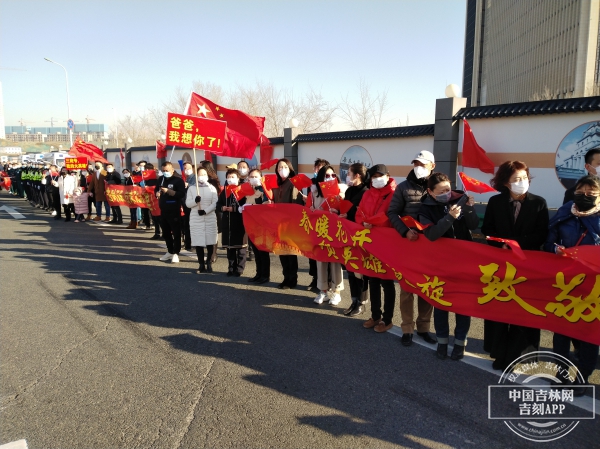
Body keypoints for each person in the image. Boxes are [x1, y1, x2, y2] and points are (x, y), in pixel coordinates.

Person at [481, 160, 549, 370]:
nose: (522, 182)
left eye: (524, 178)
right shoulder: (495, 202)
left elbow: (542, 233)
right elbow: (487, 230)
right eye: (516, 179)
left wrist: (516, 245)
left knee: (523, 309)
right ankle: (499, 354)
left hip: (527, 264)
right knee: (500, 308)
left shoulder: (539, 203)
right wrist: (500, 244)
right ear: (506, 183)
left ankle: (519, 356)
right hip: (501, 264)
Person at [544, 174, 600, 396]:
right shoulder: (565, 211)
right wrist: (554, 249)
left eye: (590, 193)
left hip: (593, 285)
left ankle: (583, 376)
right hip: (564, 282)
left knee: (589, 332)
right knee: (562, 332)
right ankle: (561, 373)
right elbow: (548, 241)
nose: (584, 196)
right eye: (580, 192)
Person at [418, 172, 479, 360]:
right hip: (440, 263)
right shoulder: (425, 208)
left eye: (448, 189)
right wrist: (449, 218)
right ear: (430, 191)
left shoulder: (460, 198)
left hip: (463, 261)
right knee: (441, 303)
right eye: (442, 191)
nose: (447, 193)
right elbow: (431, 235)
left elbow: (474, 225)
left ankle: (460, 343)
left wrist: (468, 208)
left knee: (462, 304)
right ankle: (442, 341)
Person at [388, 150, 438, 346]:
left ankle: (424, 327)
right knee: (407, 289)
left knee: (427, 288)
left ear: (432, 166)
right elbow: (392, 213)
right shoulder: (402, 188)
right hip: (408, 244)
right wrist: (404, 231)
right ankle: (407, 328)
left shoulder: (441, 186)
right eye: (416, 163)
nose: (418, 167)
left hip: (431, 246)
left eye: (423, 164)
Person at [359, 164, 397, 333]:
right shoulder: (368, 193)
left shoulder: (395, 194)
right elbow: (358, 213)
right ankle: (376, 316)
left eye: (379, 176)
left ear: (388, 176)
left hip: (386, 243)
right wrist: (363, 223)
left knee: (387, 282)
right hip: (369, 242)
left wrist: (374, 223)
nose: (376, 179)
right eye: (373, 177)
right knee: (373, 279)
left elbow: (392, 216)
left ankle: (387, 319)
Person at [310, 165, 347, 305]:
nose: (330, 178)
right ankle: (323, 290)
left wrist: (337, 212)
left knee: (335, 261)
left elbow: (344, 210)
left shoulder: (340, 191)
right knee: (321, 261)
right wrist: (312, 210)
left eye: (332, 175)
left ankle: (336, 291)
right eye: (326, 176)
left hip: (334, 232)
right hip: (320, 231)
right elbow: (309, 210)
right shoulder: (314, 192)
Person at [341, 162, 370, 316]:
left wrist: (349, 215)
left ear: (357, 175)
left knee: (361, 270)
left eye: (349, 173)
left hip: (360, 236)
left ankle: (362, 302)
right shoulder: (349, 191)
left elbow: (364, 214)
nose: (347, 176)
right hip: (348, 235)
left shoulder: (366, 192)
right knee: (351, 269)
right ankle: (354, 300)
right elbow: (344, 208)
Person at [272, 158, 305, 289]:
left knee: (290, 252)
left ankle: (292, 279)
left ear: (290, 168)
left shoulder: (293, 183)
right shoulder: (276, 184)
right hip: (277, 223)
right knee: (281, 252)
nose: (282, 170)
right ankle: (286, 278)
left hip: (290, 224)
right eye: (279, 167)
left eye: (284, 167)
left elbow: (296, 204)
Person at [185, 167, 219, 273]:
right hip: (196, 218)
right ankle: (201, 264)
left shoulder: (212, 188)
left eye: (204, 174)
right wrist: (195, 201)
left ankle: (208, 262)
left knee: (210, 242)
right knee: (198, 242)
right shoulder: (192, 188)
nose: (202, 176)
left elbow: (215, 203)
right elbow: (187, 203)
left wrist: (205, 211)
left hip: (210, 218)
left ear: (207, 176)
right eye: (200, 174)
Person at [217, 168, 247, 276]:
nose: (230, 179)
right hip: (227, 223)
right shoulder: (224, 191)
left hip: (239, 223)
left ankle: (239, 269)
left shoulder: (243, 190)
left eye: (233, 177)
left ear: (238, 178)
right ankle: (231, 268)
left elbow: (246, 205)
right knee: (230, 249)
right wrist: (222, 208)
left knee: (241, 249)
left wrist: (234, 209)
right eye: (228, 177)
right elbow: (218, 204)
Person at [244, 168, 271, 284]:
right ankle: (258, 273)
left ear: (261, 177)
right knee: (255, 251)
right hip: (251, 224)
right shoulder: (248, 190)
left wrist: (253, 206)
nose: (253, 179)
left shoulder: (264, 190)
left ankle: (265, 275)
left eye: (256, 177)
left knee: (263, 251)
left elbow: (267, 205)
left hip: (262, 225)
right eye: (251, 177)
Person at [155, 162, 186, 263]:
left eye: (167, 171)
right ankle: (170, 251)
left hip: (174, 210)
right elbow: (156, 189)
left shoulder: (178, 180)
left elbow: (181, 194)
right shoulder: (161, 179)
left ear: (172, 170)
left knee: (176, 232)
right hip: (163, 210)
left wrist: (168, 191)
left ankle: (176, 252)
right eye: (163, 171)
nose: (165, 173)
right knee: (166, 233)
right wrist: (157, 193)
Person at [307, 158, 331, 290]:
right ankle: (316, 279)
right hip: (313, 223)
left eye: (321, 168)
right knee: (313, 253)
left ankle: (328, 283)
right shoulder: (311, 184)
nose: (318, 170)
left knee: (326, 256)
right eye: (317, 167)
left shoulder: (331, 186)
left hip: (326, 226)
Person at [200, 160, 222, 264]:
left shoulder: (213, 180)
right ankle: (209, 254)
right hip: (201, 210)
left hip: (212, 209)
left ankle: (213, 254)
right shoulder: (198, 182)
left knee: (213, 233)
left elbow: (215, 196)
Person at [144, 163, 162, 240]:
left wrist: (149, 188)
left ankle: (164, 233)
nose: (146, 171)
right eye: (145, 169)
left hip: (157, 199)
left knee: (160, 217)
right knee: (154, 217)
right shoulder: (146, 178)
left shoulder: (158, 176)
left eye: (148, 169)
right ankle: (157, 232)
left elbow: (159, 187)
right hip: (151, 200)